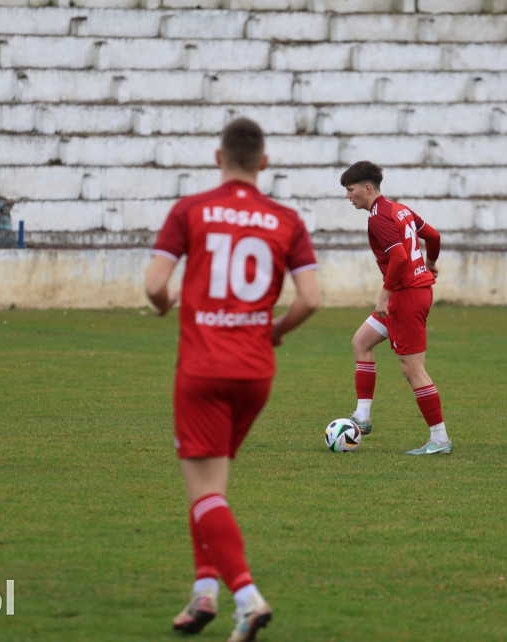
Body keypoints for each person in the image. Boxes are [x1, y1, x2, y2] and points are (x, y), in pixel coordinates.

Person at [145, 117, 321, 642]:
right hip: (255, 373)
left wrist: (165, 303)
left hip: (202, 369)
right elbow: (310, 299)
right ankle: (204, 593)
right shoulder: (285, 218)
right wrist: (276, 332)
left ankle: (246, 597)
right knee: (210, 490)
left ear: (217, 158)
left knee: (204, 491)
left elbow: (154, 285)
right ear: (263, 164)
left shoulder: (190, 210)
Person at [339, 160, 453, 456]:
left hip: (405, 296)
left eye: (350, 190)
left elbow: (400, 259)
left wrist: (384, 296)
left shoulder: (378, 218)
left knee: (412, 369)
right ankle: (362, 416)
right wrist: (430, 264)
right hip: (416, 290)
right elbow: (434, 237)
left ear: (367, 188)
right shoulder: (399, 209)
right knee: (361, 342)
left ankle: (439, 438)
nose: (348, 196)